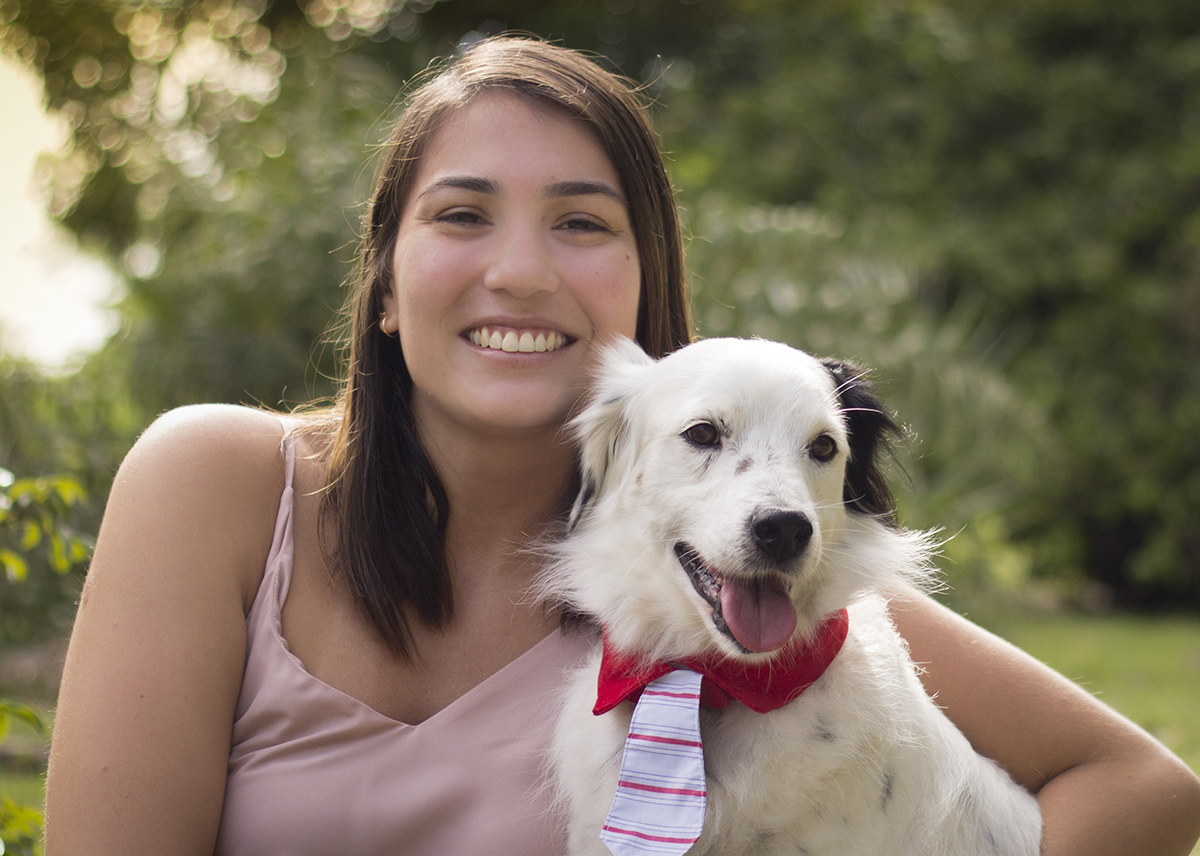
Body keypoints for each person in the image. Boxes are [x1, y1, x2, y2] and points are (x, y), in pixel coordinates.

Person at [44, 35, 1200, 856]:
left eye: (583, 223)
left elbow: (1141, 788)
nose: (522, 269)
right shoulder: (218, 483)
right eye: (461, 213)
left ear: (647, 293)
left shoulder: (737, 580)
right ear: (385, 286)